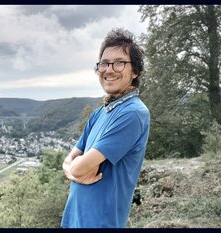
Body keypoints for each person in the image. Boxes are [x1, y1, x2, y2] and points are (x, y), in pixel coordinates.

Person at [61, 28, 150, 228]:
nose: (109, 69)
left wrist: (75, 170)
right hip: (74, 218)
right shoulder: (99, 113)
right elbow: (68, 162)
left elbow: (77, 166)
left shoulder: (133, 113)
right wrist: (73, 171)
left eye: (119, 63)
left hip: (101, 222)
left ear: (135, 71)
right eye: (104, 63)